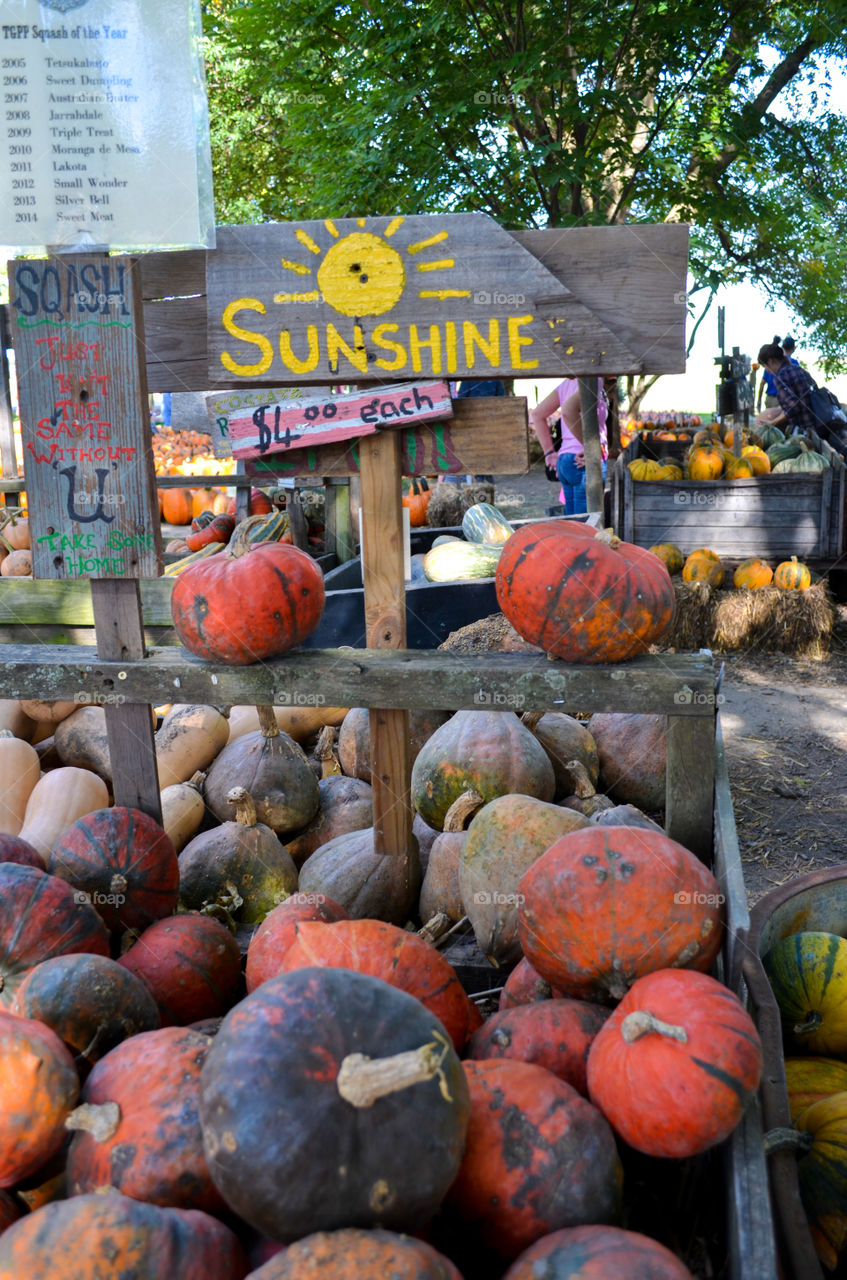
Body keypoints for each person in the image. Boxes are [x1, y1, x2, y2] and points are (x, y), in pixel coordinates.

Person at [529, 378, 608, 514]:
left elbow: (537, 414)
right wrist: (590, 447)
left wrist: (549, 452)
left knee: (573, 524)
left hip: (566, 461)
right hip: (583, 461)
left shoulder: (567, 383)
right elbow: (567, 410)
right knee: (587, 525)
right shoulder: (594, 379)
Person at [756, 341, 842, 439]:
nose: (767, 370)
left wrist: (772, 423)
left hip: (804, 430)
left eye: (765, 366)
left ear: (771, 361)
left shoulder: (780, 377)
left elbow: (793, 408)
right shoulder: (798, 369)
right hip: (820, 424)